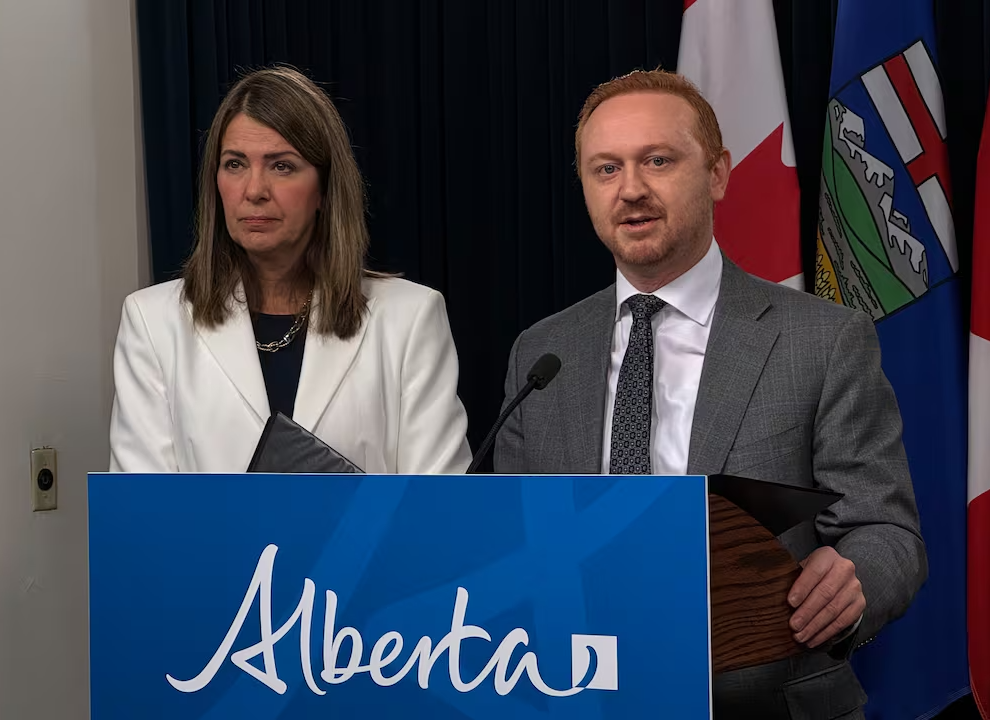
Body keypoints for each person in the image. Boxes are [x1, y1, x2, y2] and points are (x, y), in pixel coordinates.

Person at [493, 69, 926, 718]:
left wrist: (852, 581)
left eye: (657, 161)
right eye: (606, 169)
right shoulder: (542, 352)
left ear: (718, 173)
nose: (631, 189)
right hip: (580, 697)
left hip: (765, 702)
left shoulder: (823, 340)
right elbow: (514, 538)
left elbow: (885, 529)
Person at [109, 66, 472, 475]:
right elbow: (141, 505)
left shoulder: (410, 318)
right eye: (235, 164)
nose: (254, 190)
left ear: (325, 188)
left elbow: (439, 503)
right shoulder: (152, 322)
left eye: (281, 166)